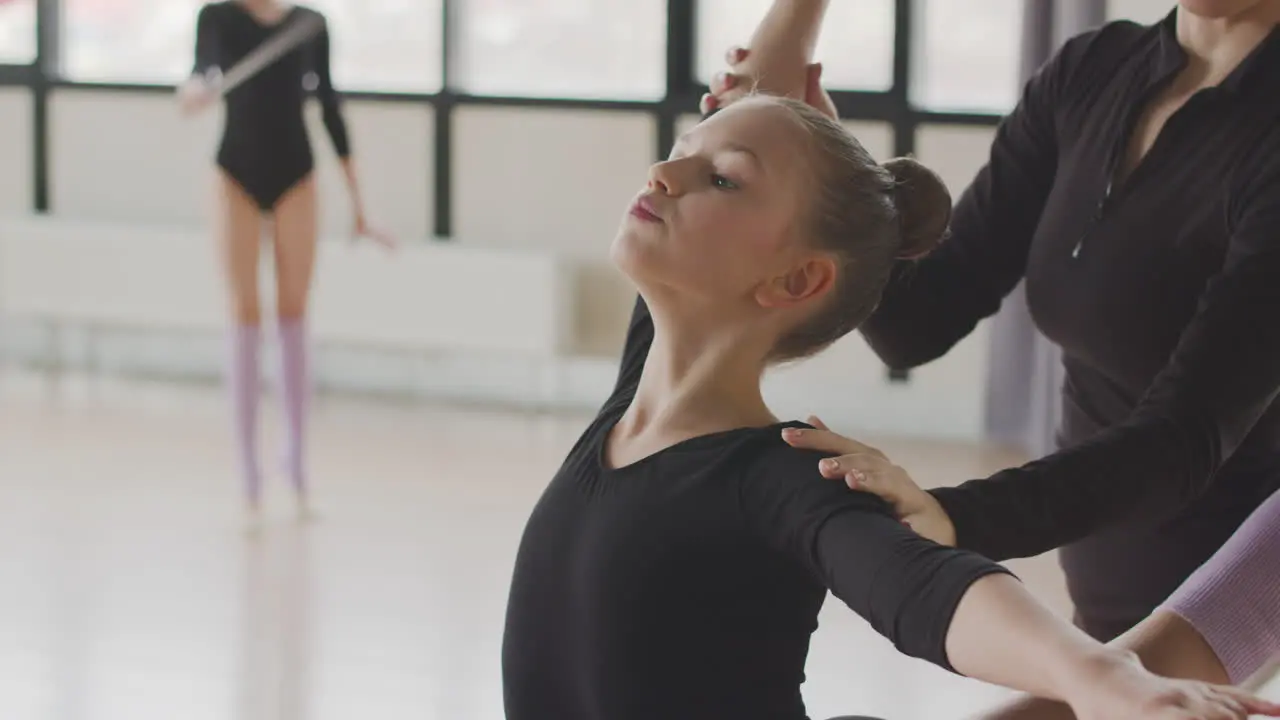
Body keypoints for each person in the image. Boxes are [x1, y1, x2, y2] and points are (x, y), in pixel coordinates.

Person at [499, 93, 1280, 720]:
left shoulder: (785, 477)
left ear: (797, 281)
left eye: (724, 179)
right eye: (678, 154)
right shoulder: (633, 407)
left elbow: (933, 590)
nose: (665, 176)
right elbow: (750, 92)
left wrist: (1103, 679)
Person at [704, 0, 1280, 646]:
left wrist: (951, 515)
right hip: (1110, 603)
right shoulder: (1092, 70)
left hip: (1239, 614)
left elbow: (1184, 439)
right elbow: (918, 321)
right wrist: (826, 181)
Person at [177, 0, 389, 518]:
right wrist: (194, 92)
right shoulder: (218, 17)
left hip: (297, 175)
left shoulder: (309, 25)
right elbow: (201, 71)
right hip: (234, 176)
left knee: (293, 314)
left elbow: (331, 108)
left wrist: (358, 203)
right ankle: (248, 475)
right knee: (243, 314)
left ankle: (294, 463)